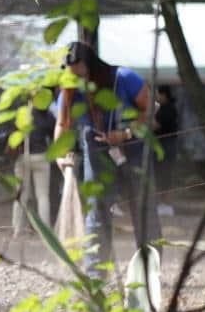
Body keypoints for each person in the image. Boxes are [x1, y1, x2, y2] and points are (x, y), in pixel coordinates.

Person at [56, 41, 162, 277]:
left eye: (80, 72)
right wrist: (61, 156)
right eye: (70, 74)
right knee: (97, 213)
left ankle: (149, 274)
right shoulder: (69, 91)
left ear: (91, 66)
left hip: (132, 149)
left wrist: (125, 133)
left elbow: (151, 110)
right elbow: (62, 125)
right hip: (95, 152)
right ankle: (97, 278)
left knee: (143, 211)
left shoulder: (123, 78)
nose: (76, 79)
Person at [11, 100, 56, 239]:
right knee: (42, 196)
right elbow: (54, 135)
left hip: (23, 157)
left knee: (21, 195)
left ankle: (17, 230)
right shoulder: (47, 116)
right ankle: (45, 232)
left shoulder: (22, 114)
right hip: (41, 156)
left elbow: (14, 138)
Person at [154, 85, 179, 216]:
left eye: (158, 94)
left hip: (166, 146)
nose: (156, 97)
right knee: (161, 175)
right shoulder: (163, 108)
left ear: (164, 95)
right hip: (163, 146)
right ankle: (162, 203)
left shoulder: (167, 109)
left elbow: (156, 125)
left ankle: (167, 204)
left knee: (165, 175)